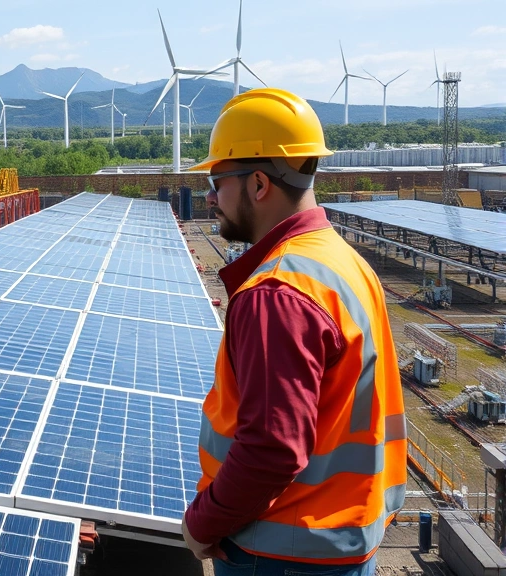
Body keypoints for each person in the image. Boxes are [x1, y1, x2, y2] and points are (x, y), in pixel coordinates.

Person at [181, 87, 406, 575]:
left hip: (282, 552)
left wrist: (202, 525)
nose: (211, 197)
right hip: (346, 535)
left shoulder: (276, 293)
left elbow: (272, 449)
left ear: (259, 184)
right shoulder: (343, 262)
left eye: (218, 181)